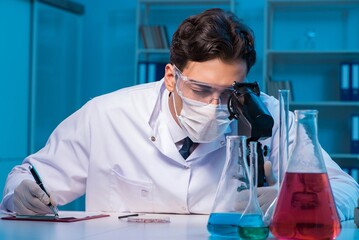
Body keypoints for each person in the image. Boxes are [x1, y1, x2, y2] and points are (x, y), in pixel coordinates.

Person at [1, 8, 358, 220]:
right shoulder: (106, 115)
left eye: (229, 93)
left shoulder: (269, 115)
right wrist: (21, 194)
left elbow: (346, 189)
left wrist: (292, 198)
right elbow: (28, 178)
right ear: (172, 76)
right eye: (201, 90)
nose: (215, 107)